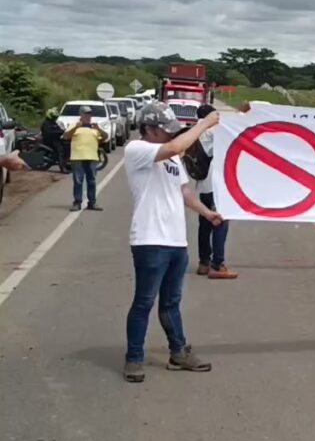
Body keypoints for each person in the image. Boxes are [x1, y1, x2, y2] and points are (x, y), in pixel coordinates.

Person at [123, 103, 223, 383]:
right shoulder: (137, 150)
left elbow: (185, 192)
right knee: (143, 302)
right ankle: (134, 358)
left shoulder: (173, 159)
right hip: (149, 239)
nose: (170, 135)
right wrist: (204, 125)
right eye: (165, 130)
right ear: (150, 129)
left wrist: (207, 213)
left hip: (176, 241)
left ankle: (178, 352)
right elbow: (172, 148)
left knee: (171, 302)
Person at [193, 104, 237, 280]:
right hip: (215, 185)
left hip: (204, 185)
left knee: (205, 225)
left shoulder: (197, 131)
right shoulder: (212, 130)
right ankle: (218, 264)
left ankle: (204, 262)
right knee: (220, 223)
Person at [62, 105, 108, 212]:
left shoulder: (94, 127)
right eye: (86, 114)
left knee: (91, 180)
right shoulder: (74, 125)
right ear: (81, 115)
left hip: (92, 157)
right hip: (77, 157)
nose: (88, 116)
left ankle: (92, 203)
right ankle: (77, 202)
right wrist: (75, 127)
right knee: (78, 181)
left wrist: (99, 129)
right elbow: (65, 136)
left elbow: (105, 137)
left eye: (89, 114)